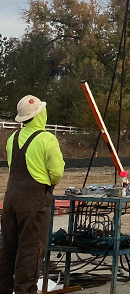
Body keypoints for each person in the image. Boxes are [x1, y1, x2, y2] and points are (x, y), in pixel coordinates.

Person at [0, 95, 65, 294]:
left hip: (11, 199)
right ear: (39, 115)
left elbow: (12, 166)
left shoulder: (12, 138)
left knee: (8, 248)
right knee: (31, 250)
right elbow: (56, 173)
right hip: (34, 201)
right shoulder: (47, 139)